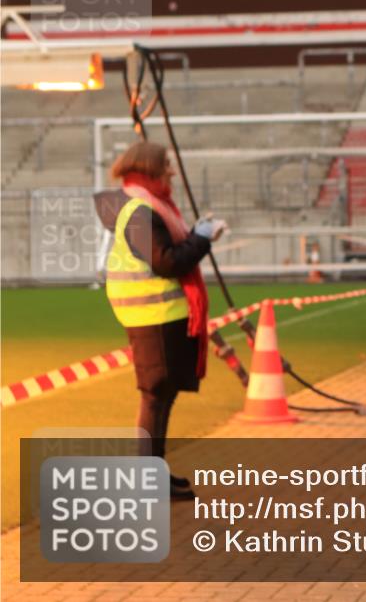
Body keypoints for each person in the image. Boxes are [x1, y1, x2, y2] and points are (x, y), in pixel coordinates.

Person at [94, 141, 227, 500]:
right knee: (156, 397)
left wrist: (197, 236)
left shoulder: (139, 204)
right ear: (150, 167)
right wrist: (200, 239)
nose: (171, 171)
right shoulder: (141, 208)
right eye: (166, 164)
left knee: (160, 397)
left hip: (154, 314)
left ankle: (153, 475)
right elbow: (167, 262)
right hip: (155, 315)